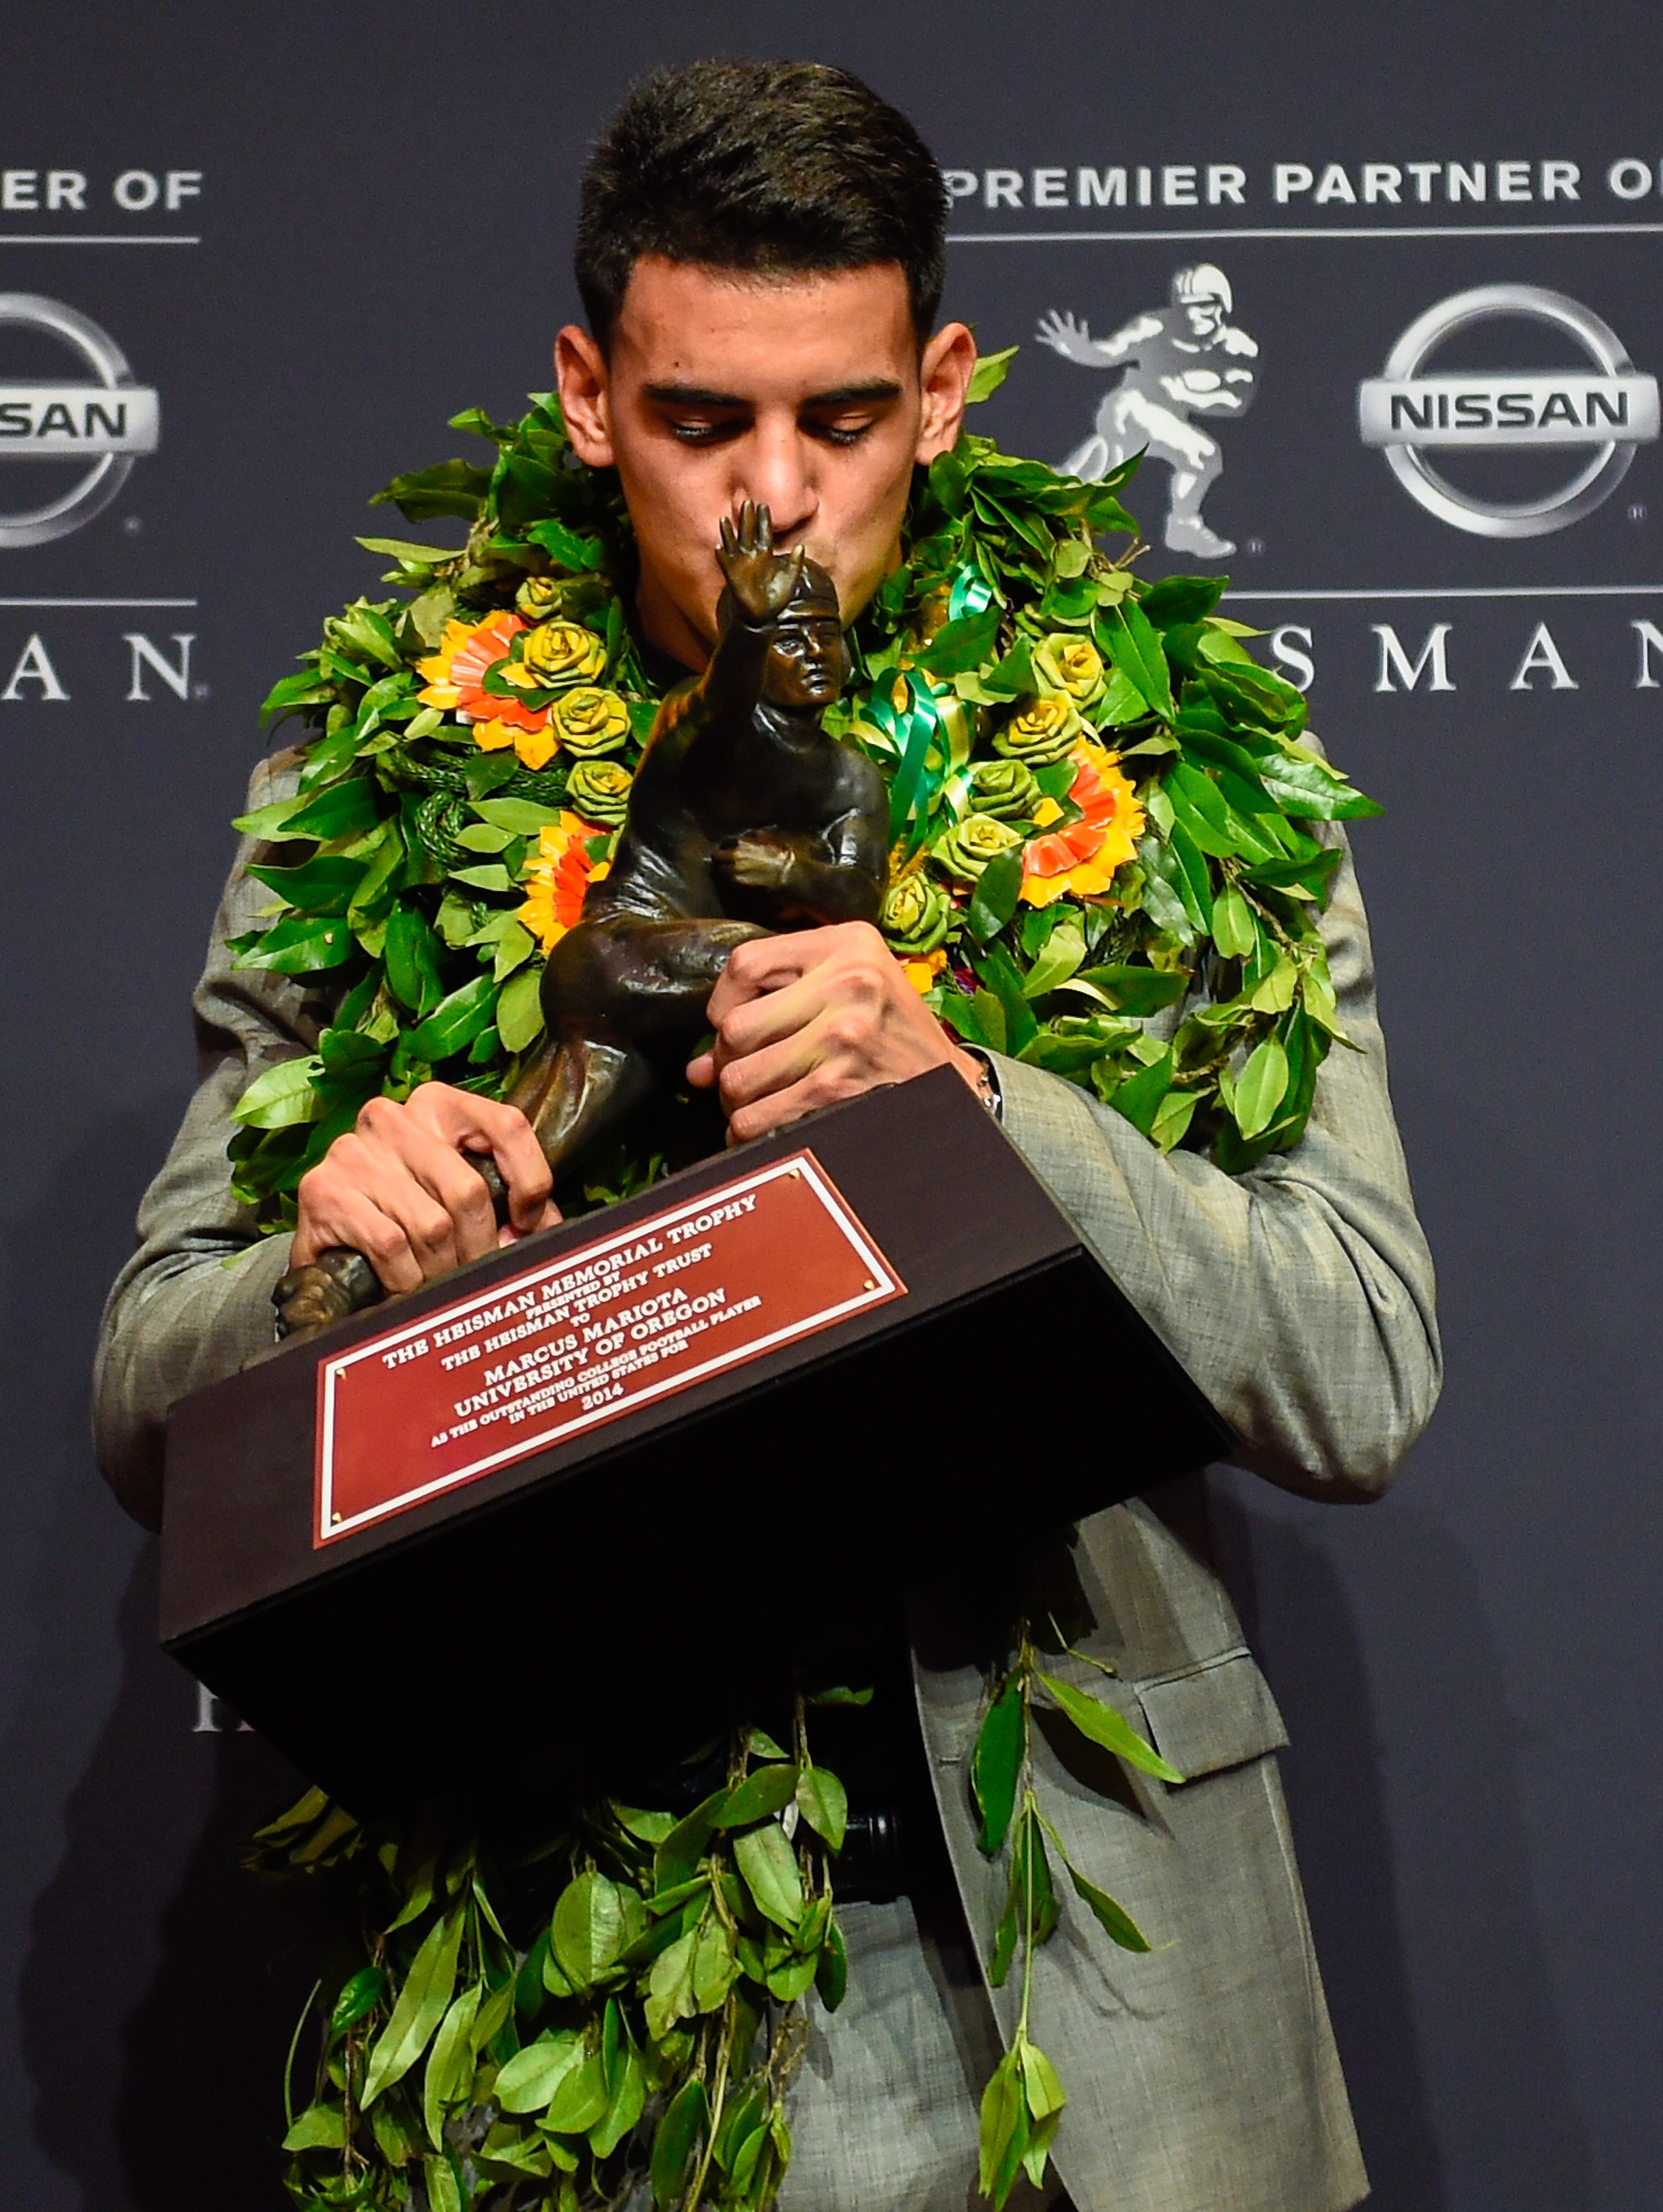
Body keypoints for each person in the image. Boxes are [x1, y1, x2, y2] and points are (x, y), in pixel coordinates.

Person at [94, 59, 1439, 2212]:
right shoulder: (368, 763)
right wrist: (328, 1260)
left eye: (836, 420)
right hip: (587, 1990)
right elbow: (153, 1399)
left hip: (1108, 2011)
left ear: (940, 386)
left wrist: (984, 1106)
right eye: (705, 421)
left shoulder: (1193, 755)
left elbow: (1360, 1361)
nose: (773, 500)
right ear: (589, 392)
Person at [1037, 265, 1259, 558]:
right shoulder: (1154, 327)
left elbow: (1235, 402)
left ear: (1222, 304)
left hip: (1166, 421)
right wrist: (1083, 351)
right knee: (1202, 453)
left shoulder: (1238, 348)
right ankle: (1183, 525)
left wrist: (1185, 393)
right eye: (1187, 307)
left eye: (1204, 306)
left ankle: (1056, 493)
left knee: (1106, 461)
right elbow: (1111, 350)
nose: (1194, 316)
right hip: (1132, 407)